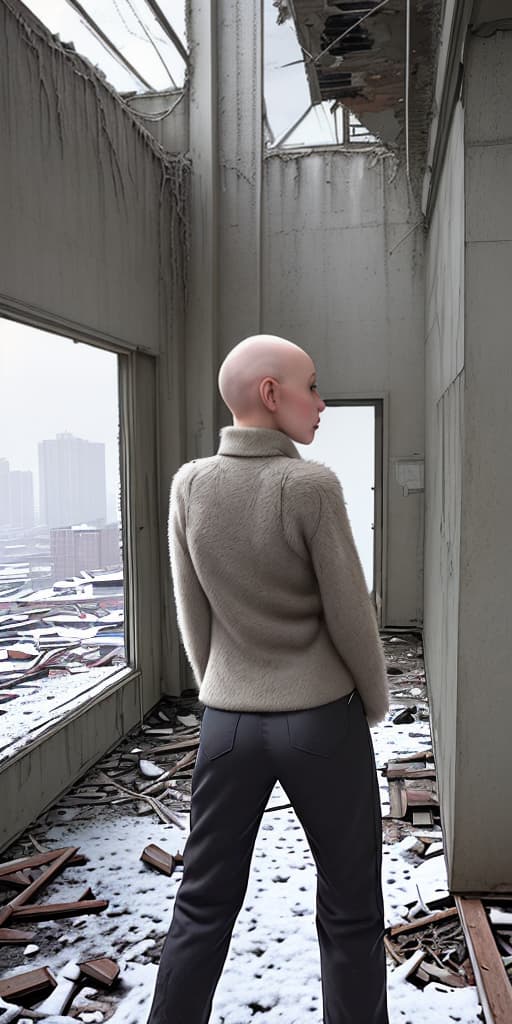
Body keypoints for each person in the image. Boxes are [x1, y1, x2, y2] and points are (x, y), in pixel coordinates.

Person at [146, 334, 390, 1024]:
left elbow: (192, 613)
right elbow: (351, 616)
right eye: (311, 386)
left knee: (201, 902)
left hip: (227, 725)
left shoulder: (190, 485)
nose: (321, 403)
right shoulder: (308, 485)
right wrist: (371, 703)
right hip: (321, 720)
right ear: (270, 393)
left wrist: (220, 687)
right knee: (350, 908)